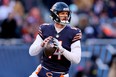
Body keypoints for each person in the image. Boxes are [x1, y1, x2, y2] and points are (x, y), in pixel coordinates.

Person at [29, 2, 82, 77]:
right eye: (62, 13)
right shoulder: (45, 28)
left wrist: (61, 49)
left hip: (61, 74)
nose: (65, 16)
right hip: (43, 70)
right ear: (54, 14)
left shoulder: (74, 32)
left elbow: (77, 59)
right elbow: (31, 52)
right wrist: (41, 45)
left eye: (66, 13)